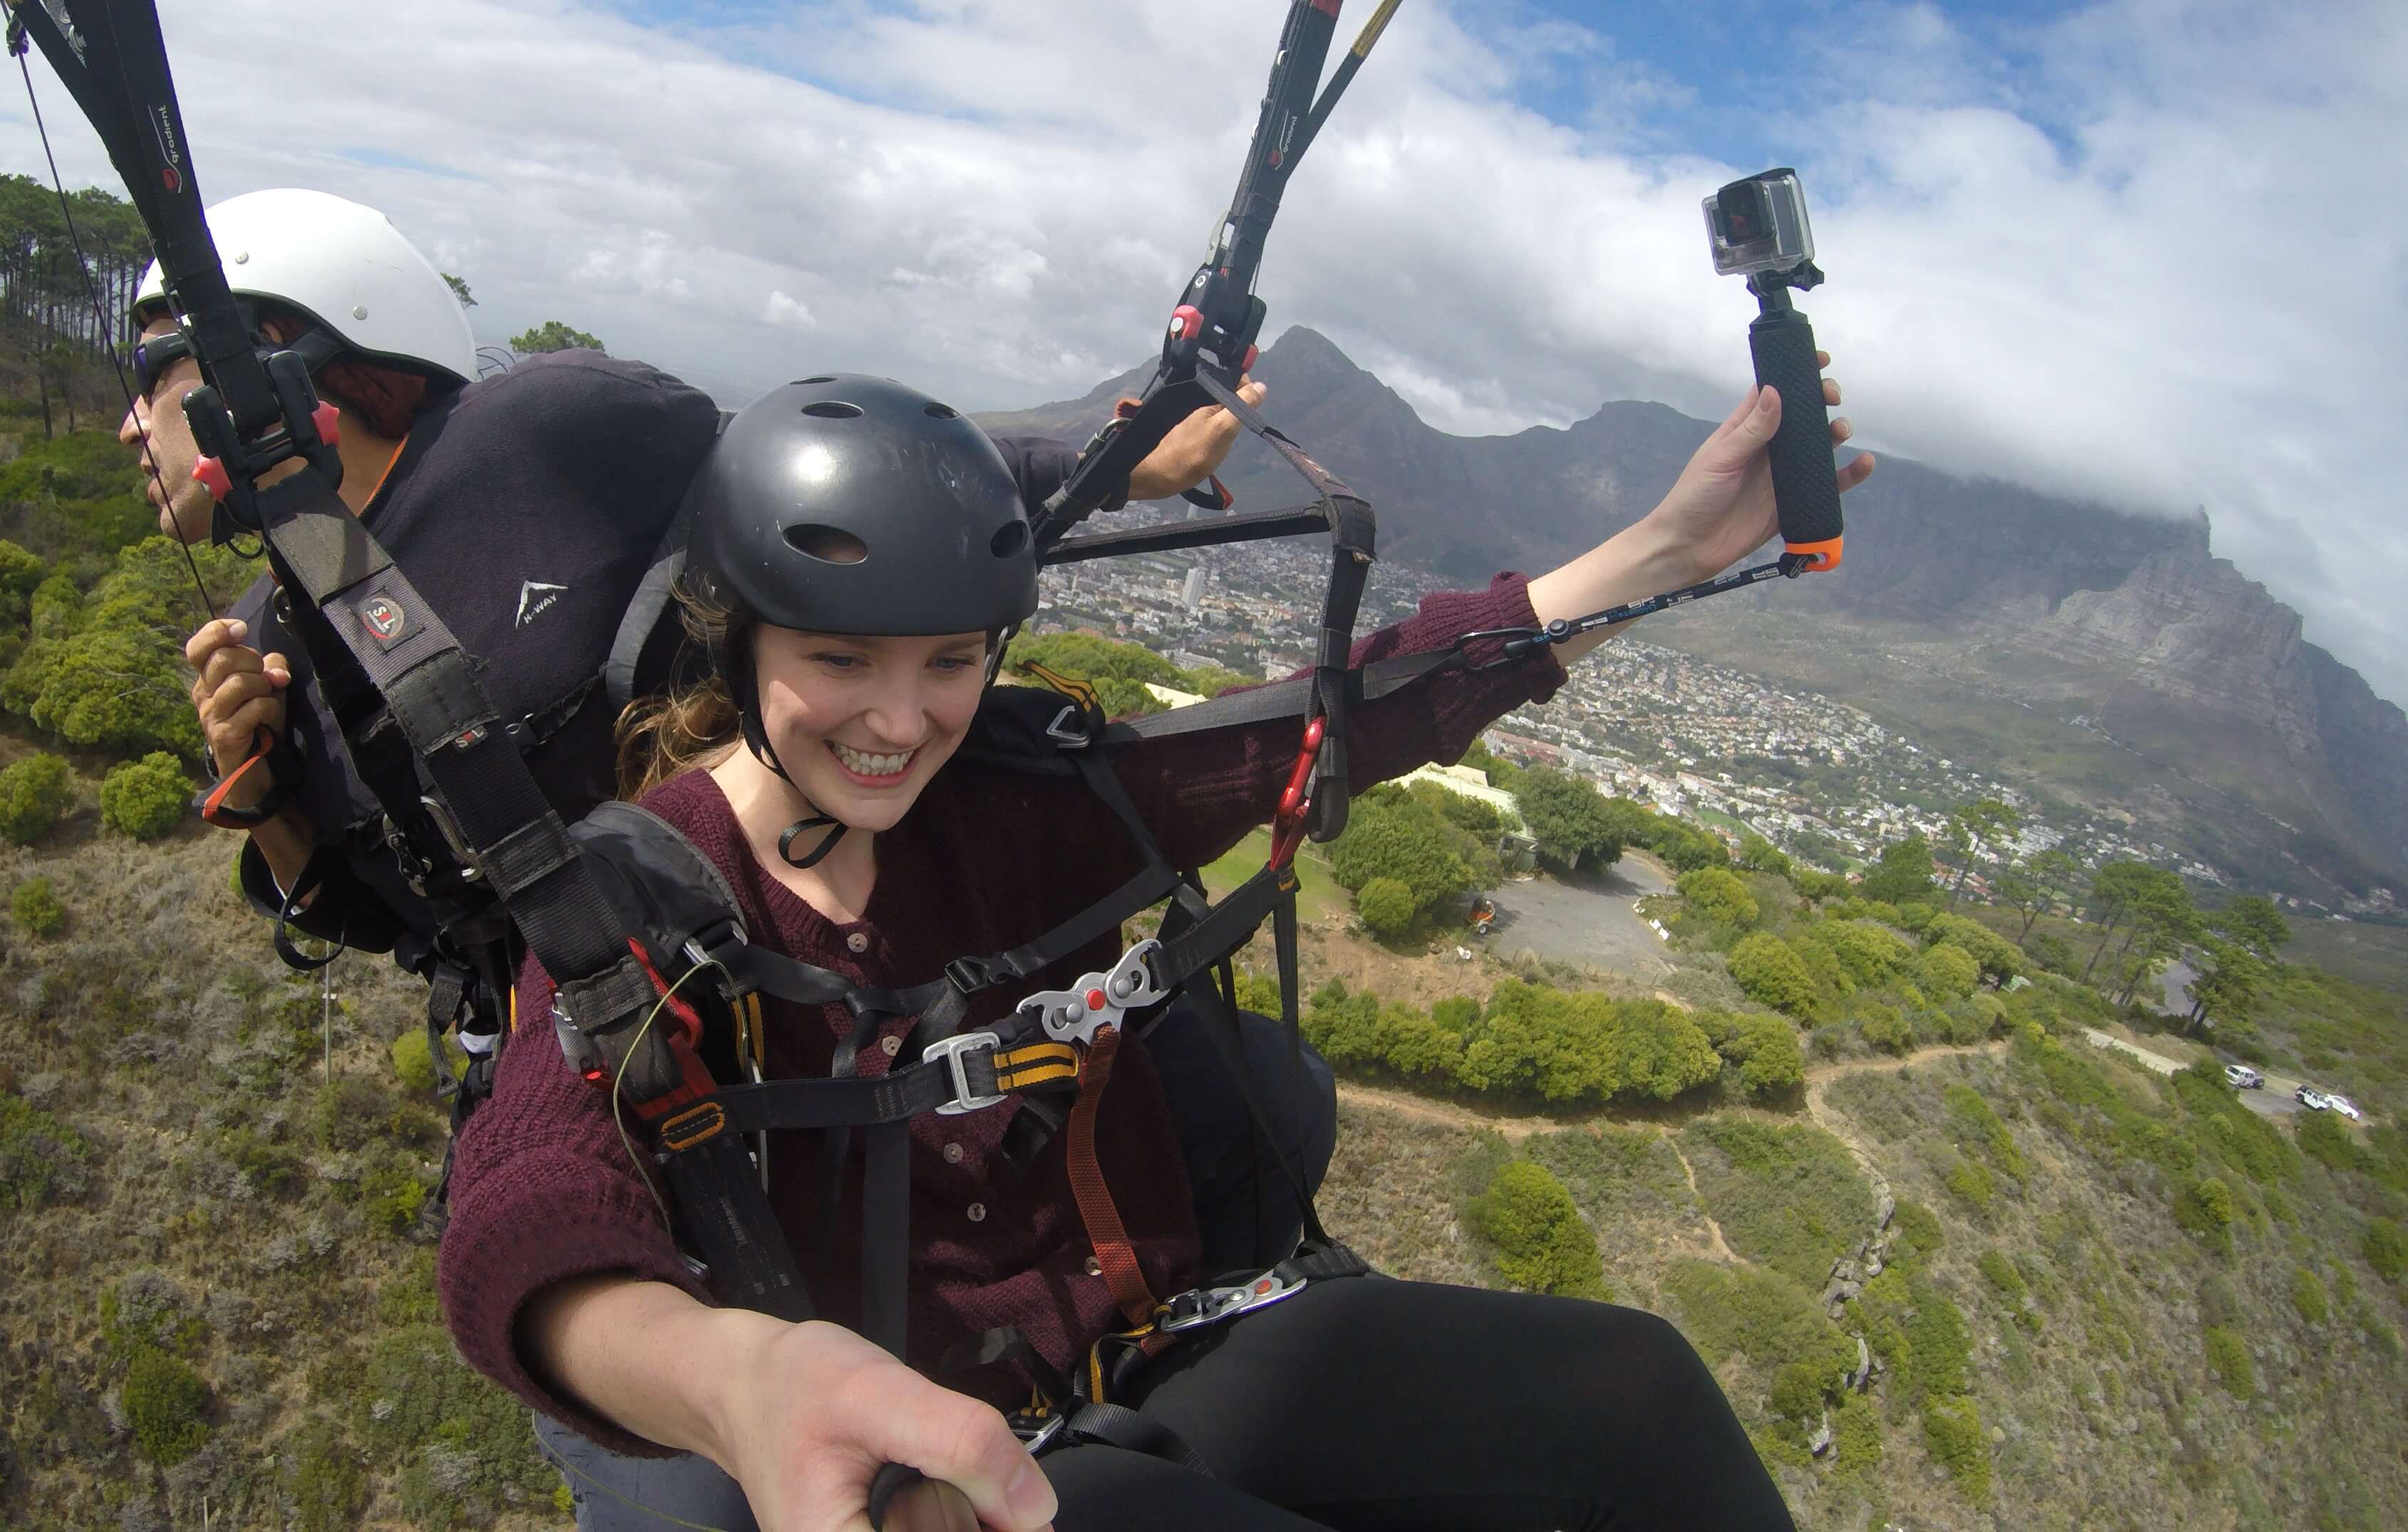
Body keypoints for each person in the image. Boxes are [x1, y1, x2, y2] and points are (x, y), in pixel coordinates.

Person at [436, 365, 1874, 1530]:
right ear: (736, 642)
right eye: (840, 662)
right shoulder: (650, 890)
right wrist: (735, 1376)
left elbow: (1351, 715)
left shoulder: (1015, 805)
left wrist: (1668, 553)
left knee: (1640, 1386)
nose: (897, 722)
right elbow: (530, 1202)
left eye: (949, 662)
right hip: (933, 1462)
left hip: (1157, 1344)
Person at [140, 193, 1336, 1245]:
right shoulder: (266, 638)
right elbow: (393, 914)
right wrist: (262, 799)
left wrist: (1119, 460)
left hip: (811, 918)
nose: (132, 427)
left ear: (282, 360)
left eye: (151, 378)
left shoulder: (536, 440)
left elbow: (811, 492)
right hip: (610, 1047)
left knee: (1252, 1102)